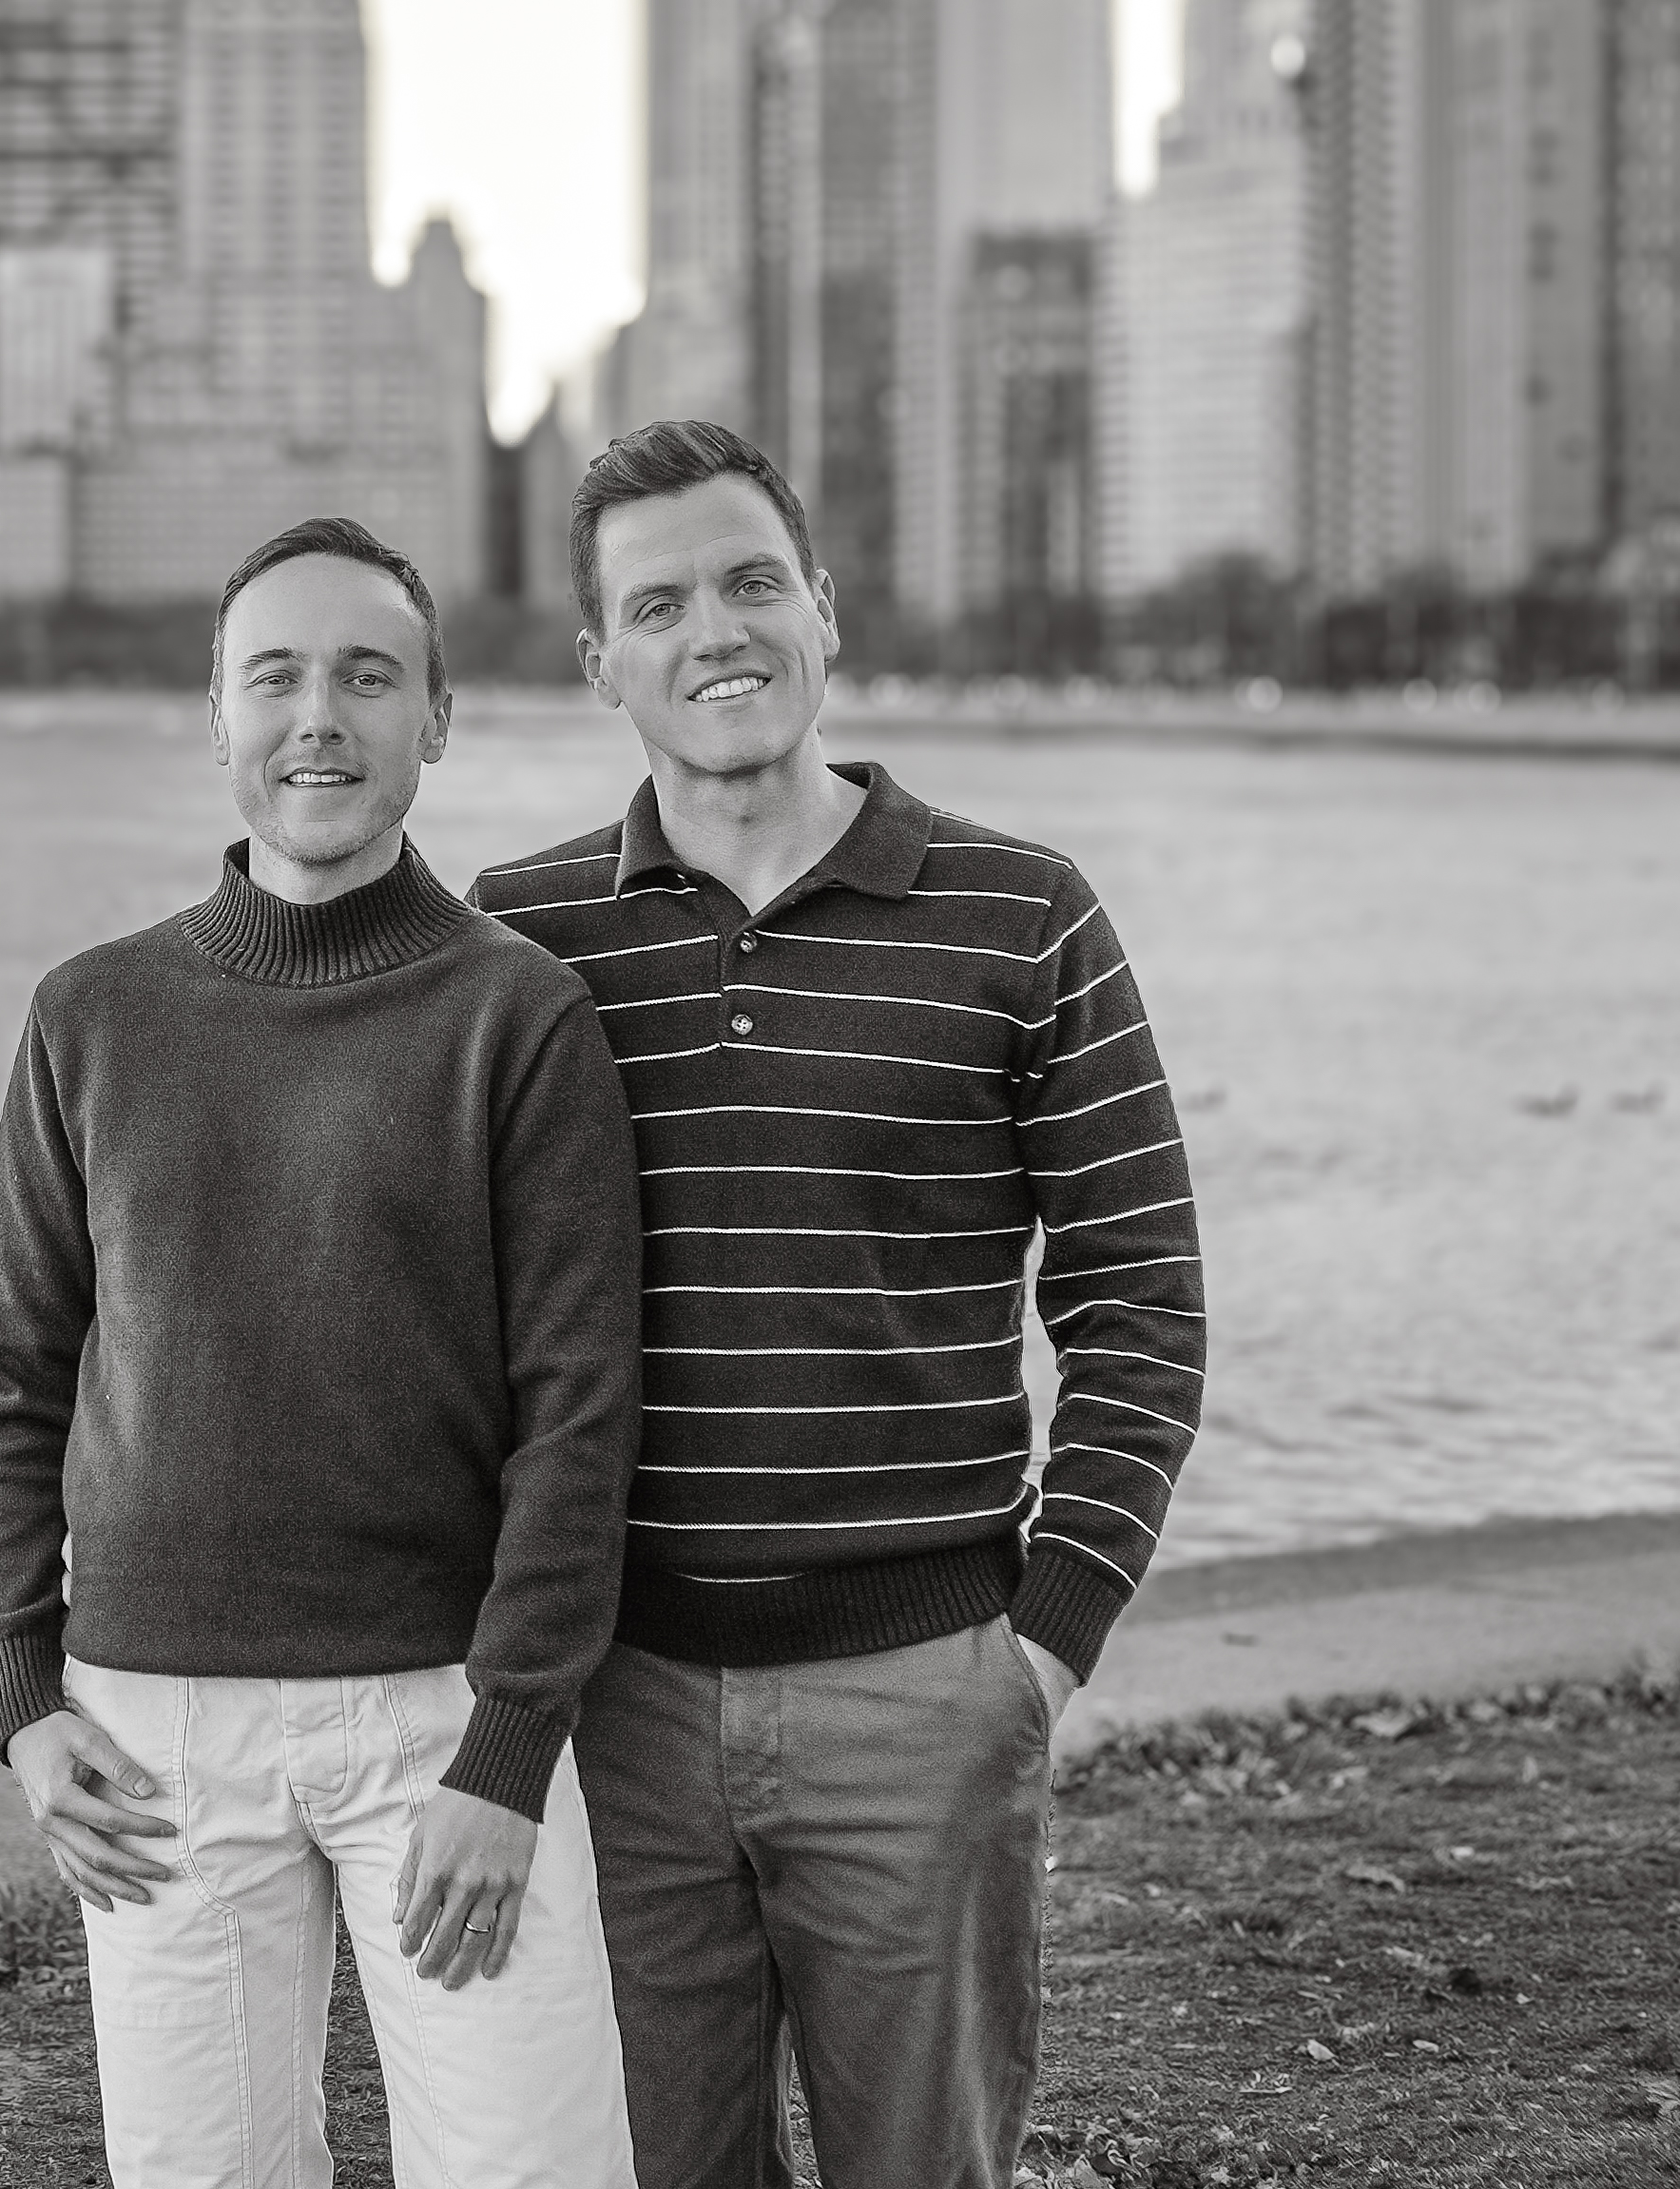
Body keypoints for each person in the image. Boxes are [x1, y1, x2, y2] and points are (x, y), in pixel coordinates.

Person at [470, 421, 1207, 2189]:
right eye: (659, 605)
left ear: (823, 609)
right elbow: (445, 1328)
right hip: (617, 1708)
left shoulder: (1024, 917)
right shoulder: (522, 939)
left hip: (922, 1695)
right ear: (599, 663)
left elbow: (1139, 1306)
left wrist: (1039, 1651)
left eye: (751, 582)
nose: (715, 631)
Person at [0, 514, 649, 2189]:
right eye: (273, 677)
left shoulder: (519, 1016)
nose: (318, 717)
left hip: (444, 1720)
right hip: (152, 1737)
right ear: (217, 718)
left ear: (437, 719)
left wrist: (511, 1749)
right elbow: (15, 1376)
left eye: (367, 676)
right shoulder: (90, 1016)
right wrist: (23, 1694)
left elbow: (578, 1416)